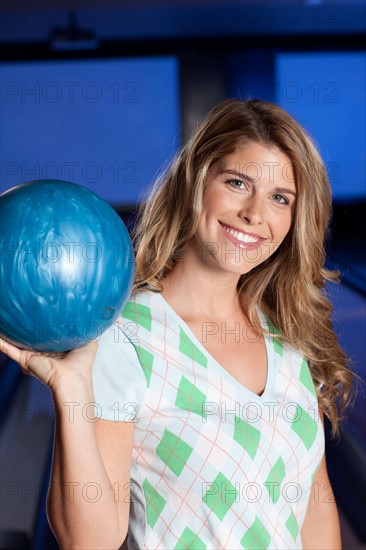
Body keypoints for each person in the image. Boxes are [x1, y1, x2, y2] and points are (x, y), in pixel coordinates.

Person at [0, 99, 357, 550]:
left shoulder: (285, 337)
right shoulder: (125, 336)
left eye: (279, 198)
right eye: (237, 182)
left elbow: (314, 503)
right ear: (194, 183)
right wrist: (72, 392)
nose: (254, 213)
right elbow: (88, 542)